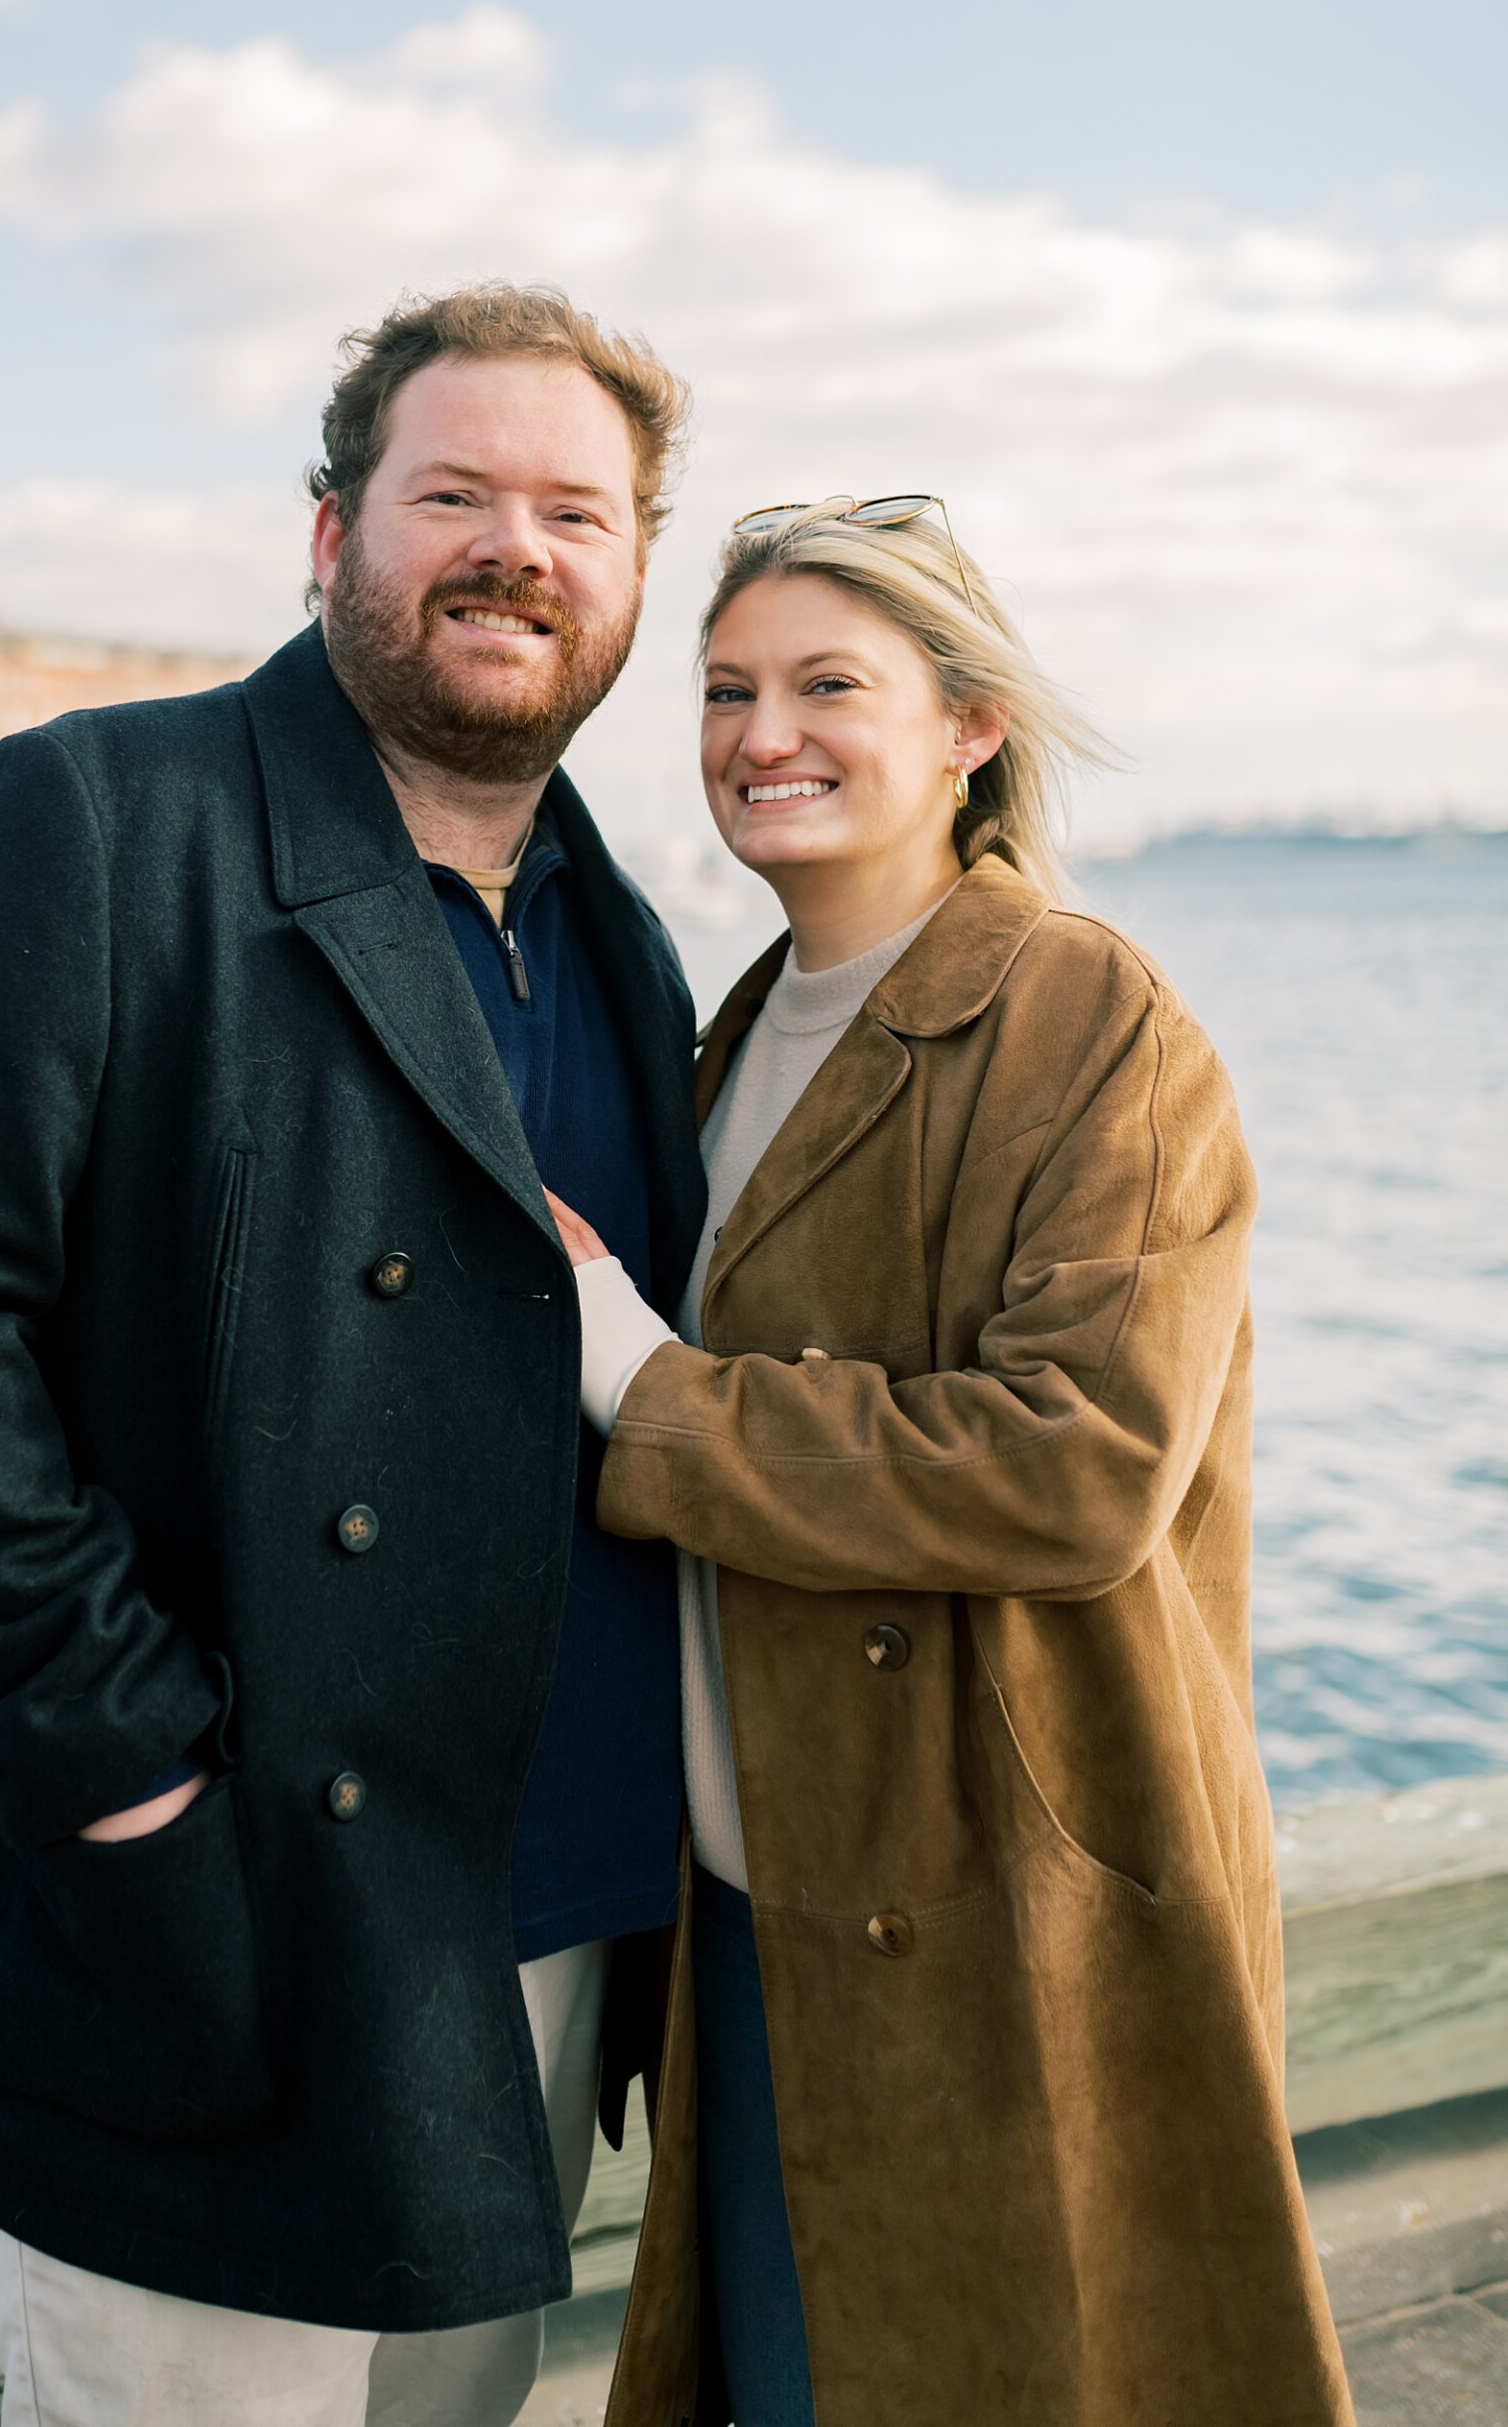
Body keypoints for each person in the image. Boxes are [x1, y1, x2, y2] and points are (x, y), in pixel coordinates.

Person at [0, 282, 706, 2427]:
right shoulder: (86, 820)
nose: (516, 547)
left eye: (577, 509)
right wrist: (133, 1778)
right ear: (328, 538)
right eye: (451, 490)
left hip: (544, 1926)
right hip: (218, 1926)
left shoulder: (618, 931)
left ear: (636, 570)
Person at [549, 498, 1355, 2426]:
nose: (765, 734)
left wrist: (646, 1395)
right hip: (762, 1901)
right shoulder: (730, 1032)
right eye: (728, 689)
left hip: (998, 1925)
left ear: (970, 725)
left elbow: (1082, 1466)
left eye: (833, 684)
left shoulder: (1091, 1015)